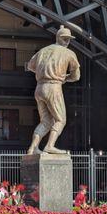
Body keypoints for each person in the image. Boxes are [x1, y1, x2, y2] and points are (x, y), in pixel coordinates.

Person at [27, 25, 81, 155]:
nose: (67, 42)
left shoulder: (43, 50)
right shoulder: (68, 53)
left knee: (46, 121)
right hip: (53, 87)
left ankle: (32, 148)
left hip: (39, 87)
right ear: (59, 38)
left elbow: (30, 66)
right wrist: (65, 78)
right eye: (65, 39)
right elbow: (76, 76)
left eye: (68, 39)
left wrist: (43, 72)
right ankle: (49, 146)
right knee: (60, 120)